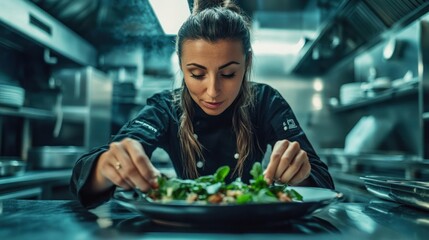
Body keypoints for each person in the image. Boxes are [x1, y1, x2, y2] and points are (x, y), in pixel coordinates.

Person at [70, 0, 334, 208]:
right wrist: (107, 165)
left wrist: (302, 172)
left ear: (247, 64)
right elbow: (85, 172)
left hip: (254, 224)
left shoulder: (266, 101)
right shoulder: (165, 106)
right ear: (182, 67)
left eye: (228, 74)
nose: (212, 91)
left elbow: (323, 182)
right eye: (196, 74)